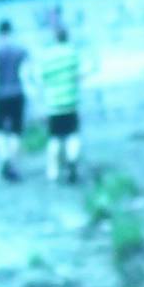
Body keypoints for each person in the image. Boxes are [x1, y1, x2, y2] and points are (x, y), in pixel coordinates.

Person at [39, 22, 87, 184]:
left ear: (54, 38)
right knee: (73, 135)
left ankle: (53, 172)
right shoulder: (72, 52)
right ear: (67, 36)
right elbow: (78, 75)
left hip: (53, 104)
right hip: (71, 102)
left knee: (54, 138)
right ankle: (72, 161)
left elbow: (43, 80)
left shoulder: (47, 55)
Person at [0, 18, 30, 181]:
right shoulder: (21, 49)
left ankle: (5, 159)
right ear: (11, 30)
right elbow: (26, 73)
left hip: (0, 94)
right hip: (17, 93)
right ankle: (12, 164)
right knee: (16, 131)